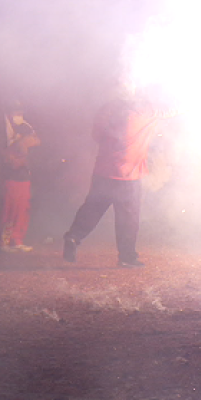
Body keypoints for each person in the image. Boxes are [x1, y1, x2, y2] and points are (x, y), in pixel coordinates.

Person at [63, 83, 177, 267]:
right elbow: (170, 110)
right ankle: (127, 257)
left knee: (93, 208)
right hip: (128, 176)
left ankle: (74, 236)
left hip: (103, 171)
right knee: (128, 218)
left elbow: (96, 135)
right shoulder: (145, 111)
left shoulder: (107, 109)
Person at [1, 100, 40, 252]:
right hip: (9, 176)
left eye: (21, 112)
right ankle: (4, 241)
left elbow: (35, 143)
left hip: (22, 175)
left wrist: (24, 146)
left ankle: (16, 240)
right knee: (9, 209)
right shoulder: (4, 130)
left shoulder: (25, 127)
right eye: (16, 112)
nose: (19, 115)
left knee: (22, 208)